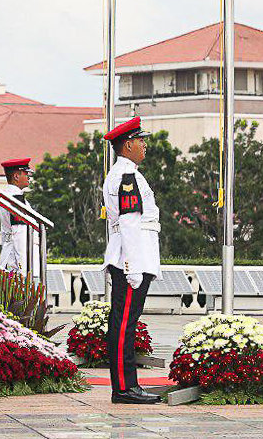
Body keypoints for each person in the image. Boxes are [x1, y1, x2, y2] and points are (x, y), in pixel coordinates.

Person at [102, 116, 161, 405]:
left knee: (126, 323)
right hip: (130, 260)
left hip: (134, 258)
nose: (144, 145)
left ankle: (128, 386)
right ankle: (124, 388)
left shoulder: (127, 174)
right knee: (124, 324)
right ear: (127, 145)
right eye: (140, 140)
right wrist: (133, 267)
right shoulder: (127, 177)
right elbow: (129, 223)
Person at [0, 158, 33, 274]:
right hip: (16, 263)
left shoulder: (7, 195)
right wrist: (24, 270)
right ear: (16, 176)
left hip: (10, 257)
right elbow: (20, 235)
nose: (29, 176)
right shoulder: (16, 199)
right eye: (26, 173)